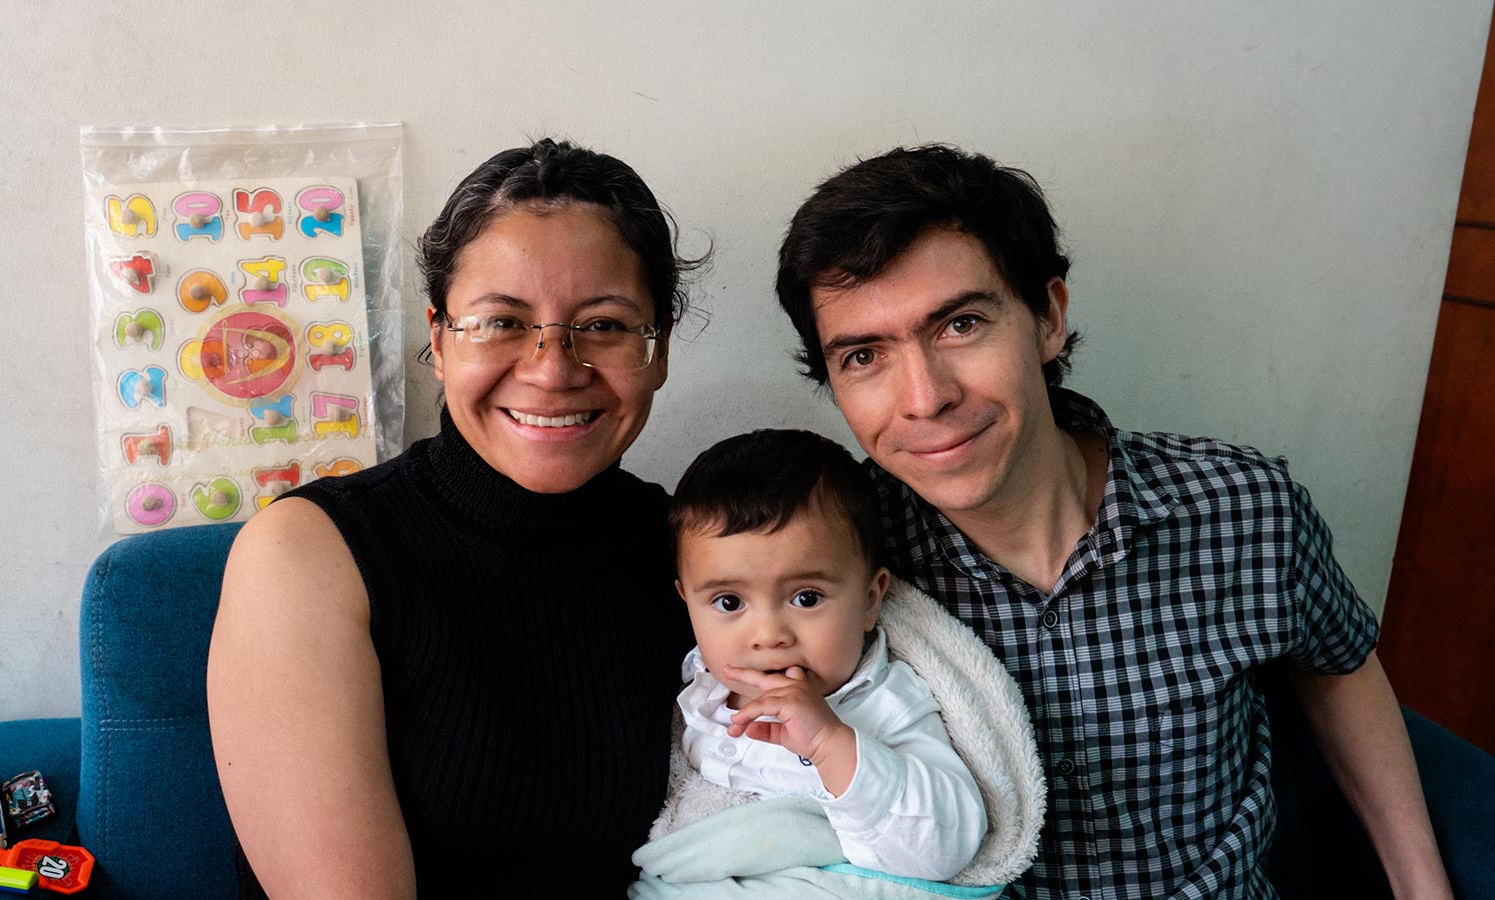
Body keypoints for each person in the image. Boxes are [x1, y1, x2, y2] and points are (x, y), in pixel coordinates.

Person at [772, 145, 1453, 899]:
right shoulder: (822, 563)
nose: (925, 397)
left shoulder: (1241, 509)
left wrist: (1424, 887)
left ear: (1048, 319)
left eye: (961, 324)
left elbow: (1338, 667)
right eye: (864, 355)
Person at [207, 138, 701, 897]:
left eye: (603, 324)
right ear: (437, 341)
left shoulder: (702, 553)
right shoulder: (307, 556)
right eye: (501, 322)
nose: (552, 368)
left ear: (657, 349)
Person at [666, 428, 987, 882]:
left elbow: (946, 847)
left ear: (871, 599)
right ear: (687, 603)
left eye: (808, 597)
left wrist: (829, 744)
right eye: (729, 603)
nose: (768, 635)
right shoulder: (698, 692)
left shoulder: (885, 702)